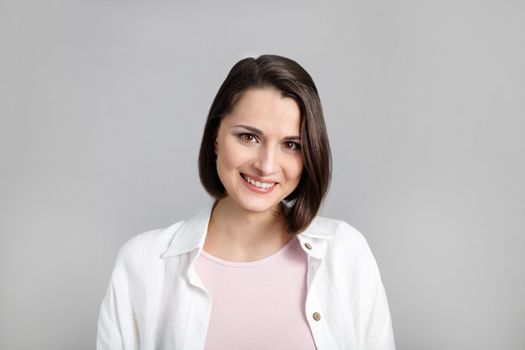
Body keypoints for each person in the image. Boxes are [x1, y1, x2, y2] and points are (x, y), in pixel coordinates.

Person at [97, 54, 396, 350]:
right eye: (248, 138)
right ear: (216, 137)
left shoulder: (346, 253)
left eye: (290, 145)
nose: (266, 166)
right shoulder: (142, 266)